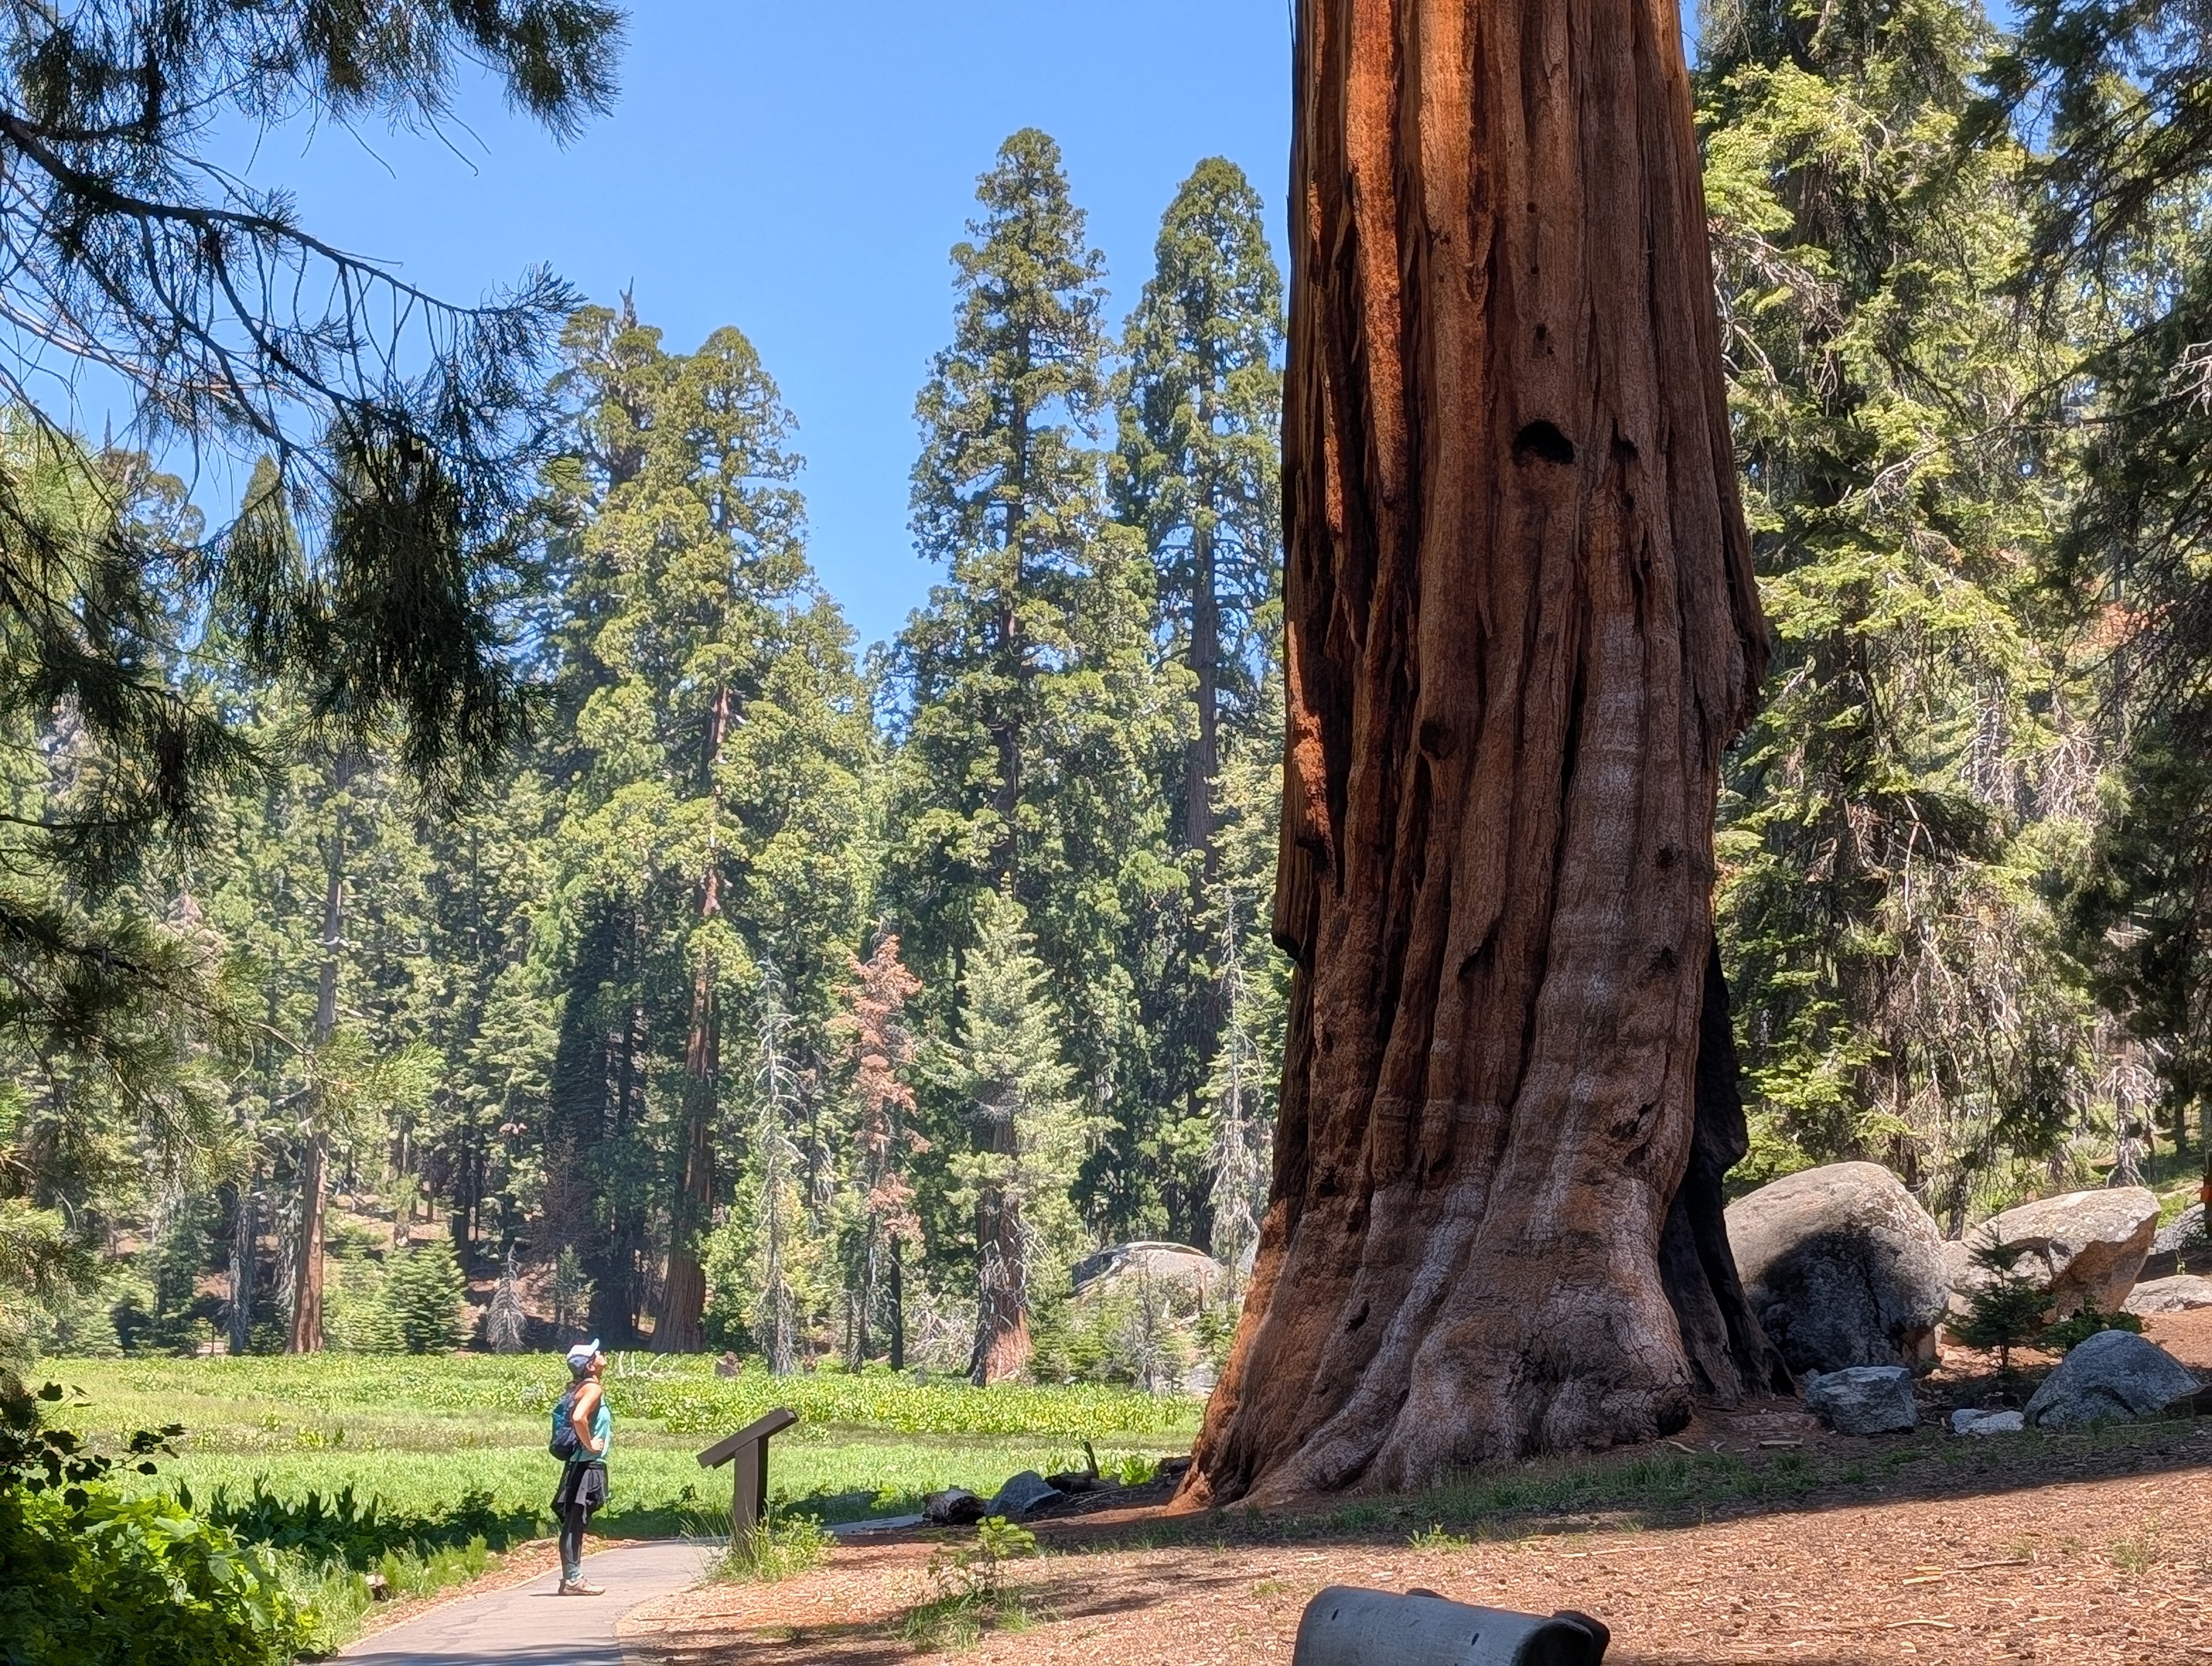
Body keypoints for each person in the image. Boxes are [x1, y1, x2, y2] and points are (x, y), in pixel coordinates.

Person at [555, 1340, 612, 1596]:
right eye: (597, 1353)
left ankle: (571, 1577)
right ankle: (574, 1580)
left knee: (573, 1522)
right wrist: (592, 1444)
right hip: (588, 1464)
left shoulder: (580, 1387)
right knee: (576, 1522)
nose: (602, 1354)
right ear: (590, 1365)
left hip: (578, 1464)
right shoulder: (593, 1389)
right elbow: (579, 1418)